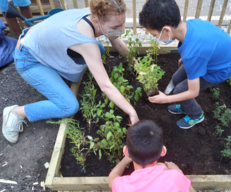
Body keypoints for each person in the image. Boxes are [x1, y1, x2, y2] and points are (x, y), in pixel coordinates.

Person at [2, 0, 139, 144]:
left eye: (121, 24)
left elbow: (116, 40)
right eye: (116, 26)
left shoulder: (97, 12)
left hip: (42, 47)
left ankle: (58, 73)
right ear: (96, 20)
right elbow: (105, 86)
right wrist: (132, 112)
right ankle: (16, 113)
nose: (121, 29)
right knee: (68, 106)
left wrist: (136, 64)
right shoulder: (86, 41)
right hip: (28, 60)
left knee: (99, 50)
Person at [139, 0, 231, 129]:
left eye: (154, 34)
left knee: (181, 90)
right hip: (218, 55)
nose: (155, 38)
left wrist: (166, 99)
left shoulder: (193, 55)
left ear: (166, 30)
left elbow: (193, 92)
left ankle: (196, 115)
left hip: (222, 67)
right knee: (176, 78)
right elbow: (200, 45)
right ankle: (184, 105)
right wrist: (188, 60)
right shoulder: (190, 25)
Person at [108, 120, 195, 192]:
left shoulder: (123, 186)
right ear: (163, 151)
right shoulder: (174, 178)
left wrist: (124, 161)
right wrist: (177, 170)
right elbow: (189, 189)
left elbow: (111, 179)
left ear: (126, 151)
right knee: (162, 166)